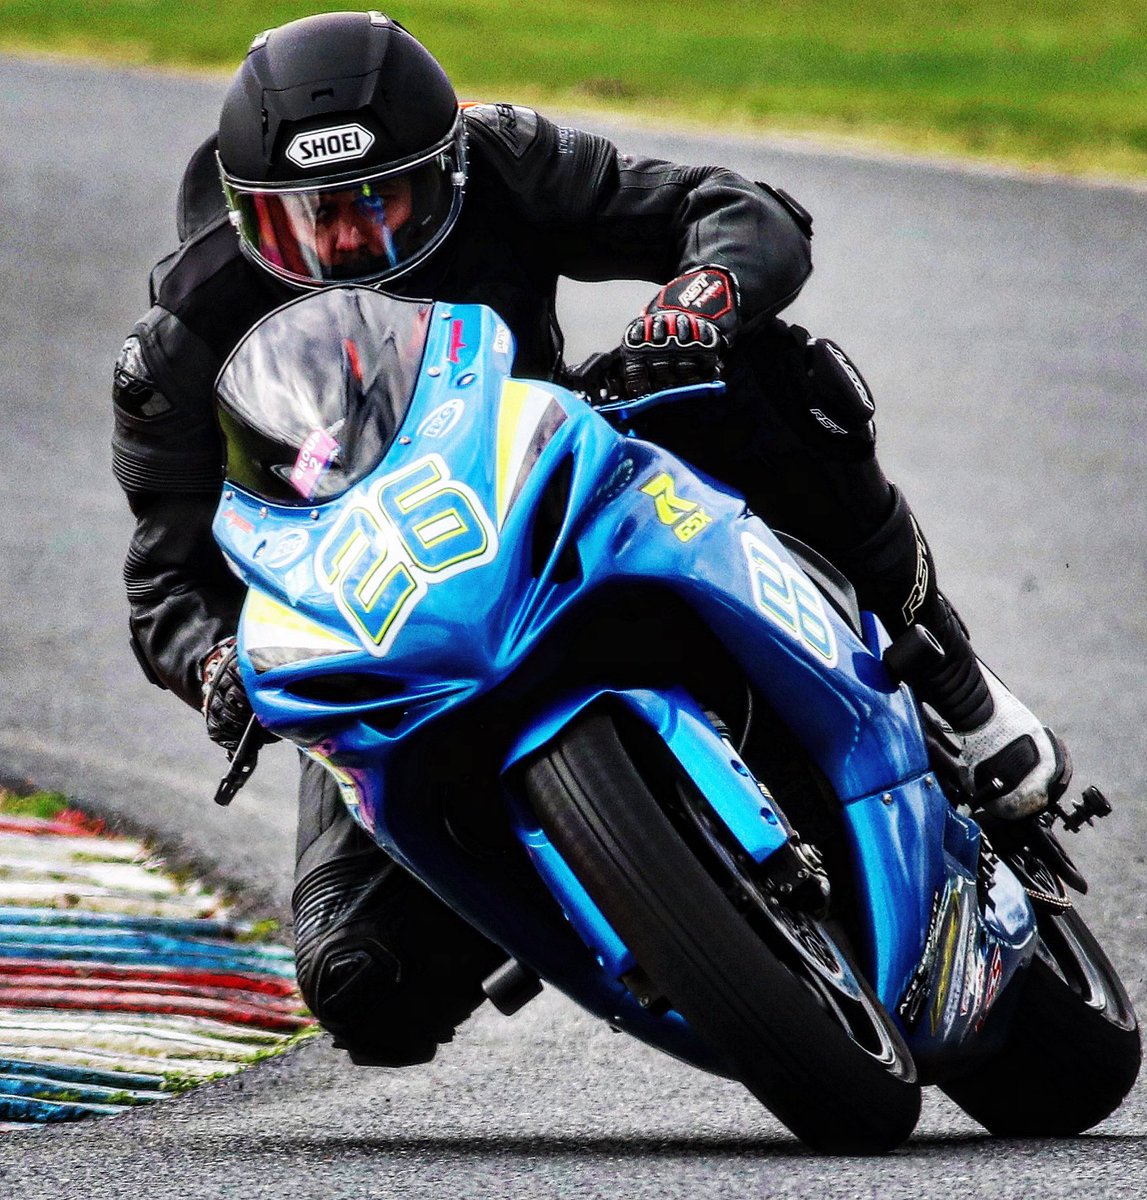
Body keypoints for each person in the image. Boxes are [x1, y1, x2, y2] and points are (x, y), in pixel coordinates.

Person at [112, 10, 1070, 1068]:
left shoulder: (505, 162)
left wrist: (697, 305)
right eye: (311, 220)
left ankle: (959, 689)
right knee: (362, 986)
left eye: (378, 203)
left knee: (757, 374)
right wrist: (212, 664)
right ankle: (602, 888)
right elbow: (167, 574)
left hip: (556, 487)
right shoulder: (183, 339)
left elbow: (737, 211)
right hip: (382, 615)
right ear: (254, 220)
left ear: (443, 175)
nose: (347, 245)